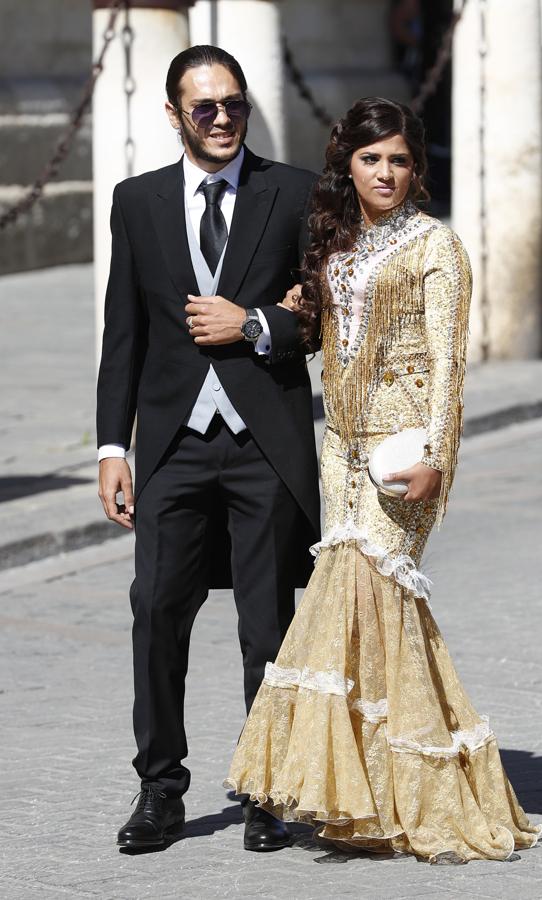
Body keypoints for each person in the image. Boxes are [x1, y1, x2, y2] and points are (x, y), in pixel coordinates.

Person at [226, 97, 542, 862]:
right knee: (372, 616)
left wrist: (437, 457)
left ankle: (427, 795)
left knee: (367, 596)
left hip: (404, 454)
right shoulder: (335, 243)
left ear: (416, 167)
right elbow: (318, 331)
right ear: (348, 164)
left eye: (399, 160)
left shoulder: (437, 246)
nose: (386, 173)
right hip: (338, 450)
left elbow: (447, 367)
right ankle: (378, 793)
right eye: (372, 159)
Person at [96, 45, 320, 852]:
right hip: (172, 449)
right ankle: (160, 788)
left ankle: (267, 786)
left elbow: (327, 313)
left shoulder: (292, 192)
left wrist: (255, 324)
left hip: (264, 444)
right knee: (156, 613)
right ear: (174, 116)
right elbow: (124, 333)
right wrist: (110, 448)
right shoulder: (137, 202)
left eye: (234, 103)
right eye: (205, 108)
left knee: (266, 628)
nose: (223, 118)